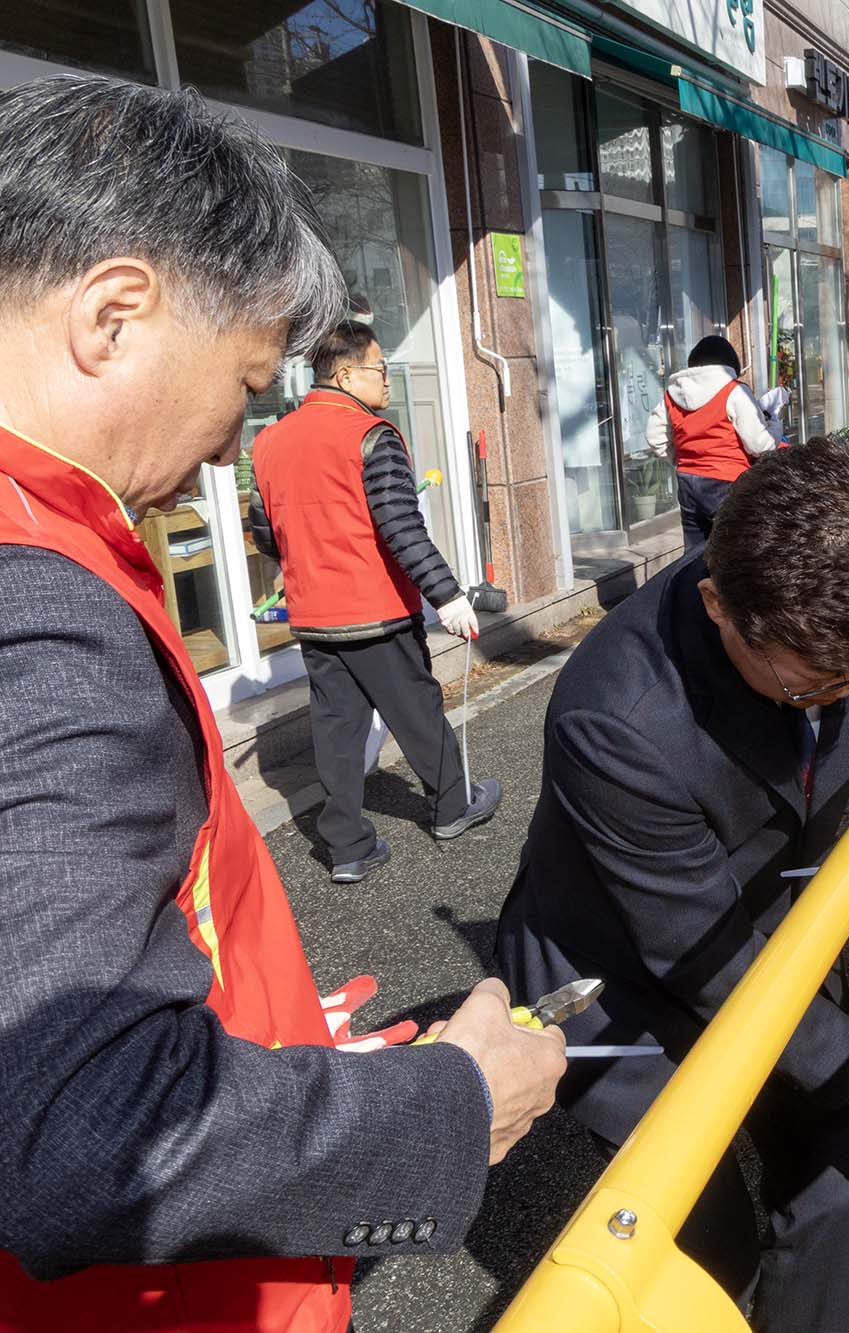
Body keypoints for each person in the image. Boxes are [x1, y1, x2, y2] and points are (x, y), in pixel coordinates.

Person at [0, 74, 566, 1333]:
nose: (224, 442)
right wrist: (446, 1108)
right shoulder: (36, 613)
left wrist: (235, 1015)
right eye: (244, 379)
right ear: (114, 314)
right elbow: (74, 1121)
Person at [493, 435, 849, 1331]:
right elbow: (708, 965)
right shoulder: (617, 718)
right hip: (620, 982)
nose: (844, 698)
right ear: (717, 603)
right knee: (702, 1246)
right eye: (812, 685)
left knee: (834, 1183)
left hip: (776, 938)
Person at [247, 319, 500, 882]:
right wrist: (449, 596)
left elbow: (265, 534)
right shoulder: (370, 436)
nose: (388, 381)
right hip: (375, 608)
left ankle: (347, 848)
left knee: (336, 730)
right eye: (380, 369)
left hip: (314, 616)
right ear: (345, 374)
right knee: (418, 712)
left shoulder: (267, 442)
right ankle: (453, 808)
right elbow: (401, 527)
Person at [645, 333, 779, 555]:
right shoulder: (734, 390)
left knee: (694, 554)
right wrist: (775, 428)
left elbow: (655, 437)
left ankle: (692, 589)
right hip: (728, 481)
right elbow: (759, 445)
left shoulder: (672, 394)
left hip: (687, 481)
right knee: (733, 553)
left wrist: (682, 459)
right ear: (731, 364)